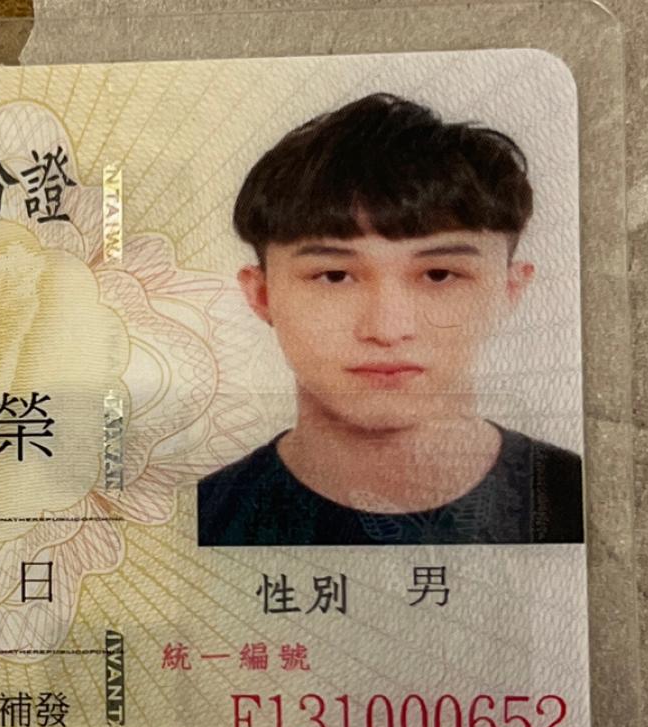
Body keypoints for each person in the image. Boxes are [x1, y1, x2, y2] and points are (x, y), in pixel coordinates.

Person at [197, 93, 583, 546]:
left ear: (509, 290)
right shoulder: (195, 520)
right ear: (261, 295)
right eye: (334, 276)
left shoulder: (587, 501)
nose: (386, 329)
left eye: (439, 275)